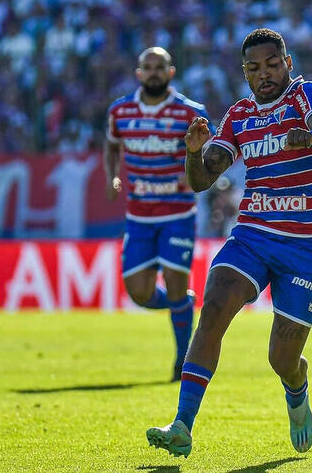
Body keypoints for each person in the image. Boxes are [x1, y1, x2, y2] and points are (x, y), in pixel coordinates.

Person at [145, 29, 312, 458]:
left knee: (282, 359)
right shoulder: (239, 116)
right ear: (245, 73)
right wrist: (194, 154)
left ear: (287, 63)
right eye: (254, 68)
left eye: (272, 64)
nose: (265, 74)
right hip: (252, 236)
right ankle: (182, 424)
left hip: (306, 247)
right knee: (213, 308)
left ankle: (296, 387)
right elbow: (201, 180)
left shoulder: (305, 96)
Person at [104, 47, 211, 382]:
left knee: (177, 285)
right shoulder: (120, 111)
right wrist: (113, 175)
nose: (152, 72)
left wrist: (191, 169)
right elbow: (111, 145)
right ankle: (182, 307)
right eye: (147, 67)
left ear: (171, 72)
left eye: (159, 67)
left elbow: (209, 150)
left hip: (178, 213)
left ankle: (183, 361)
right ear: (138, 73)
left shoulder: (190, 112)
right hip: (138, 215)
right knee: (139, 292)